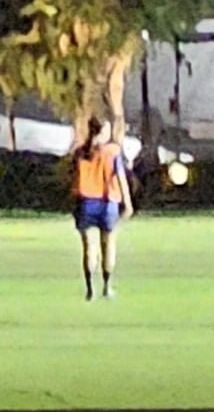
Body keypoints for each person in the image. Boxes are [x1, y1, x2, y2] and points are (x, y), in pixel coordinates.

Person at [68, 116, 133, 300]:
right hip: (108, 202)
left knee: (89, 248)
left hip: (86, 202)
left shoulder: (81, 153)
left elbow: (71, 179)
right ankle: (107, 287)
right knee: (108, 246)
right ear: (103, 131)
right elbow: (120, 178)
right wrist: (127, 203)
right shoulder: (112, 152)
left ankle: (90, 289)